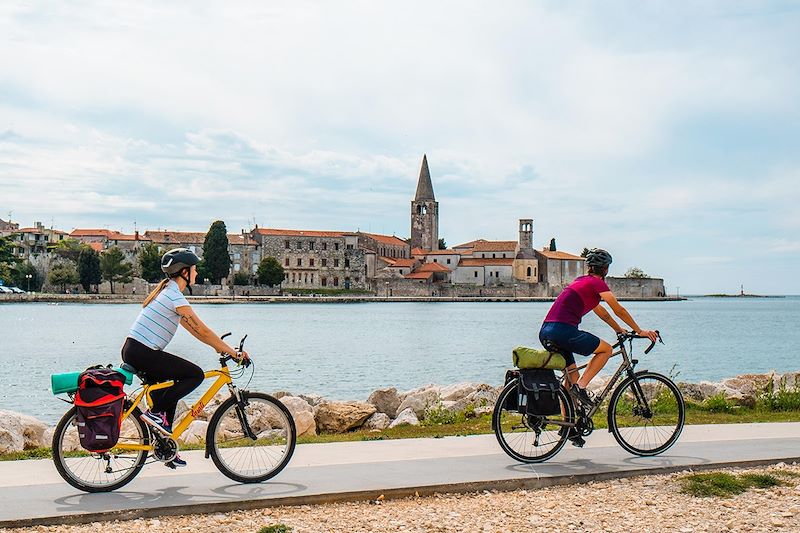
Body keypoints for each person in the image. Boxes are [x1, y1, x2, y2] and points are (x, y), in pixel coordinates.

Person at [121, 248, 248, 467]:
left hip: (135, 349)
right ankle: (155, 413)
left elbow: (197, 331)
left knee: (168, 388)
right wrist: (232, 352)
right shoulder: (173, 296)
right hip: (142, 352)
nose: (197, 274)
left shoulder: (167, 293)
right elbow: (203, 331)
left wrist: (218, 347)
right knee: (194, 375)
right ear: (184, 272)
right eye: (194, 269)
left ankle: (165, 446)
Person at [539, 248, 657, 443]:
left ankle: (569, 427)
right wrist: (639, 330)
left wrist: (619, 329)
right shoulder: (596, 283)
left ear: (589, 267)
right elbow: (617, 308)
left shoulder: (581, 283)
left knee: (571, 378)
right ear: (605, 269)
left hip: (546, 332)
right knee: (606, 349)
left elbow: (602, 313)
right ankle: (582, 388)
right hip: (563, 330)